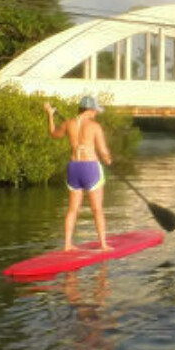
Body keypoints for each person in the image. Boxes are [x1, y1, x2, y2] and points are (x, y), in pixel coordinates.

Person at [44, 96, 113, 251]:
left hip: (74, 167)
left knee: (72, 209)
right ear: (89, 110)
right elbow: (103, 151)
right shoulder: (95, 126)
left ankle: (67, 244)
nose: (96, 113)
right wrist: (108, 159)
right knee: (97, 209)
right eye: (95, 110)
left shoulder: (68, 123)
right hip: (90, 168)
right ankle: (103, 245)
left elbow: (54, 134)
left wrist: (50, 115)